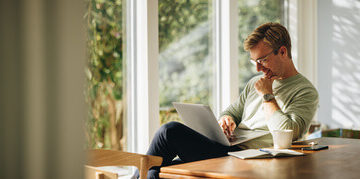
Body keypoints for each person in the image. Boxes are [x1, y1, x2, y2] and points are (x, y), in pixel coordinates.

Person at [135, 22, 319, 179]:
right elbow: (232, 112)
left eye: (262, 60)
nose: (257, 68)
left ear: (283, 51)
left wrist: (267, 96)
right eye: (253, 61)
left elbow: (290, 132)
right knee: (156, 171)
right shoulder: (255, 83)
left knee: (170, 131)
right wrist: (226, 120)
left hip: (252, 157)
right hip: (227, 148)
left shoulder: (305, 91)